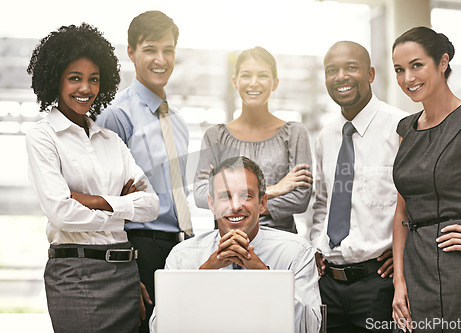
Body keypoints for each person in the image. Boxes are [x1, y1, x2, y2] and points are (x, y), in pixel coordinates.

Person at [25, 23, 160, 332]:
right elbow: (62, 212)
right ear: (54, 79)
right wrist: (122, 208)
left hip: (125, 274)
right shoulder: (43, 137)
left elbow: (151, 205)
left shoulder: (112, 141)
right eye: (75, 78)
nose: (85, 88)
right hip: (76, 275)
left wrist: (95, 202)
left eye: (93, 79)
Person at [391, 26, 461, 332]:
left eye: (416, 65)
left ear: (442, 63)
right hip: (415, 272)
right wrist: (400, 282)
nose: (407, 78)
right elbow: (401, 213)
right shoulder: (406, 129)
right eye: (400, 70)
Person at [96, 11, 191, 332]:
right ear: (131, 53)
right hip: (139, 246)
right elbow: (108, 201)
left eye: (168, 50)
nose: (160, 59)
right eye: (150, 49)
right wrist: (126, 272)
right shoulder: (116, 115)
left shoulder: (176, 120)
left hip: (179, 248)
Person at [151, 156, 322, 333]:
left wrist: (263, 274)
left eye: (246, 196)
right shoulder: (182, 256)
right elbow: (158, 328)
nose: (235, 206)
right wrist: (204, 273)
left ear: (262, 203)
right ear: (212, 205)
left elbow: (310, 328)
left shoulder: (296, 252)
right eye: (225, 196)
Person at [310, 41, 406, 332]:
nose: (341, 76)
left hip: (378, 285)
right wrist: (317, 247)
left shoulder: (400, 127)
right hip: (329, 286)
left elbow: (416, 199)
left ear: (370, 74)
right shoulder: (326, 136)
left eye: (351, 67)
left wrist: (405, 251)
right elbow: (322, 203)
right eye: (332, 70)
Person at [194, 46, 313, 233]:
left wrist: (227, 198)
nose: (254, 83)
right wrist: (274, 190)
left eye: (263, 76)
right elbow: (201, 196)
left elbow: (300, 199)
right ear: (235, 82)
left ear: (275, 83)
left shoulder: (294, 133)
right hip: (228, 244)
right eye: (246, 75)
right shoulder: (215, 136)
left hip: (281, 245)